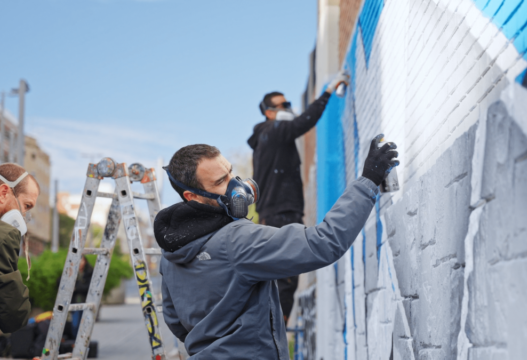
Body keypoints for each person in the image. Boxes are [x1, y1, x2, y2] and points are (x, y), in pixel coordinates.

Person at [155, 135, 398, 359]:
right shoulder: (237, 239)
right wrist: (369, 180)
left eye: (230, 173)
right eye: (221, 181)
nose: (236, 185)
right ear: (192, 196)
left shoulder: (170, 253)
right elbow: (323, 243)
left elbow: (175, 320)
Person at [247, 71, 349, 321]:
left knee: (281, 275)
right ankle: (275, 335)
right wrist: (327, 93)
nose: (288, 108)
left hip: (274, 214)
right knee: (286, 275)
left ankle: (271, 331)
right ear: (269, 112)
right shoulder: (272, 129)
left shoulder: (267, 136)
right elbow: (303, 123)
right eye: (283, 105)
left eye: (288, 104)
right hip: (280, 214)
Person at [0, 163, 39, 360]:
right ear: (4, 192)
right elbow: (14, 318)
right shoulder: (1, 235)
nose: (24, 216)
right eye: (26, 206)